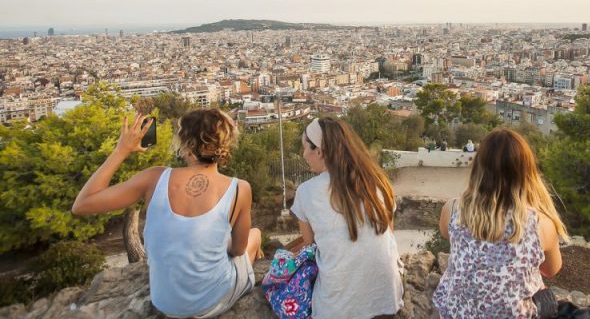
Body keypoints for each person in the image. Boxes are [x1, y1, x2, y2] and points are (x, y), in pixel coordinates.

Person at [72, 110, 262, 318]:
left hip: (165, 303)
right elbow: (237, 249)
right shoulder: (240, 189)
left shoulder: (154, 178)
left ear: (186, 144)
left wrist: (121, 151)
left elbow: (82, 204)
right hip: (211, 302)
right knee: (255, 235)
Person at [432, 127, 568, 319]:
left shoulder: (453, 210)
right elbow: (551, 270)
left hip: (456, 314)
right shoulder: (541, 224)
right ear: (527, 172)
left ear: (478, 168)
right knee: (547, 299)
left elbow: (446, 233)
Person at [291, 117, 403, 319]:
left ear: (320, 151)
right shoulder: (377, 181)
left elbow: (311, 245)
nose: (303, 154)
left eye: (305, 148)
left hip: (337, 309)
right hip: (386, 299)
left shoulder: (306, 192)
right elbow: (388, 232)